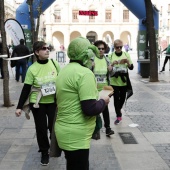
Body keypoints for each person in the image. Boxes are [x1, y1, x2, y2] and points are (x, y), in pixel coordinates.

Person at [55, 37, 110, 170]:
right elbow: (90, 109)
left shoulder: (64, 70)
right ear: (86, 56)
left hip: (64, 130)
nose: (93, 61)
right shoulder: (85, 73)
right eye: (91, 58)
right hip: (76, 134)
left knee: (72, 165)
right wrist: (104, 100)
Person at [15, 41, 60, 166]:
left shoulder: (54, 64)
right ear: (36, 52)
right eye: (43, 49)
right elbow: (26, 89)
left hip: (53, 102)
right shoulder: (32, 69)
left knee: (53, 126)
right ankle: (44, 152)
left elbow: (61, 82)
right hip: (37, 103)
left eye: (48, 48)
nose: (47, 50)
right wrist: (19, 107)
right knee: (41, 129)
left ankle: (53, 144)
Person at [108, 39, 134, 125]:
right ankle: (118, 115)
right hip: (114, 81)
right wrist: (112, 64)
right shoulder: (110, 56)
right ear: (114, 47)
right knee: (116, 99)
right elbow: (108, 69)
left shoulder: (126, 54)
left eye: (120, 47)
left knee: (122, 98)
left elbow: (131, 67)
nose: (119, 48)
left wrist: (128, 63)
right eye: (117, 47)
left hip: (124, 81)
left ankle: (119, 110)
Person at [93, 40, 114, 136]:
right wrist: (90, 66)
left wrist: (111, 69)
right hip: (94, 89)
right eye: (99, 48)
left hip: (104, 89)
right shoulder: (92, 60)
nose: (101, 50)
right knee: (95, 109)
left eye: (103, 48)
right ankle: (96, 129)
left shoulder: (107, 59)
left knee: (105, 108)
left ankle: (108, 128)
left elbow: (112, 74)